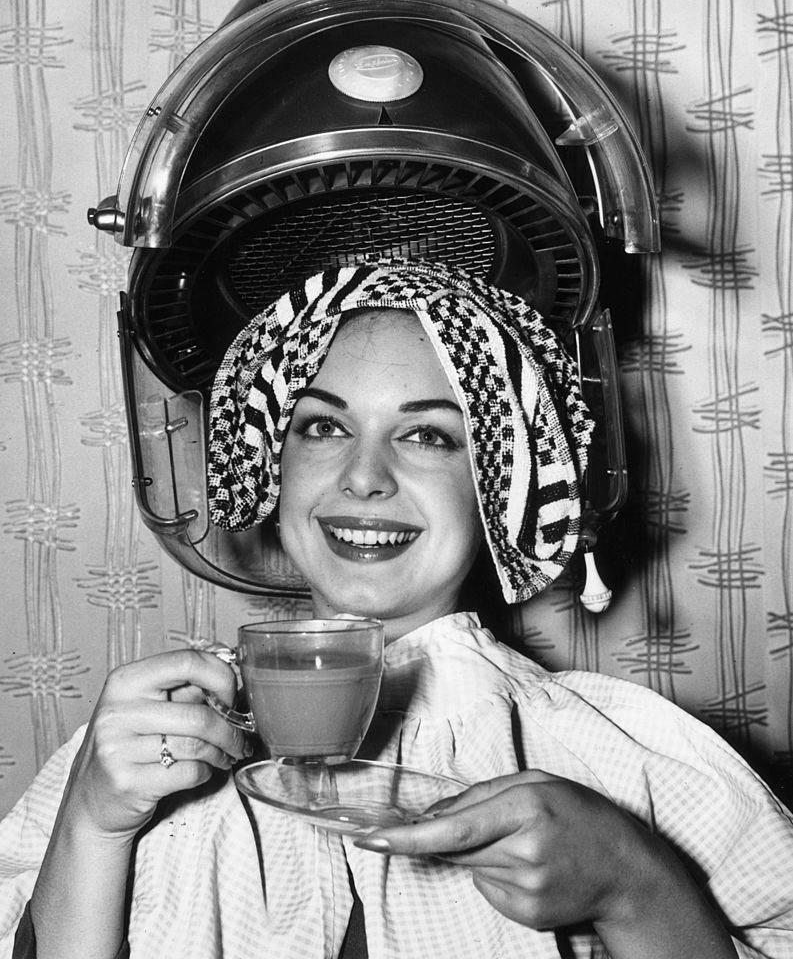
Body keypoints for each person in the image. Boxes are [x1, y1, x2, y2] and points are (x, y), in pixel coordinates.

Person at [1, 257, 792, 959]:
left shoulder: (631, 755)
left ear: (503, 483)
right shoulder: (138, 747)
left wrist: (633, 886)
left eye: (428, 436)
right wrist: (92, 824)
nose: (364, 475)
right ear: (268, 468)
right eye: (321, 426)